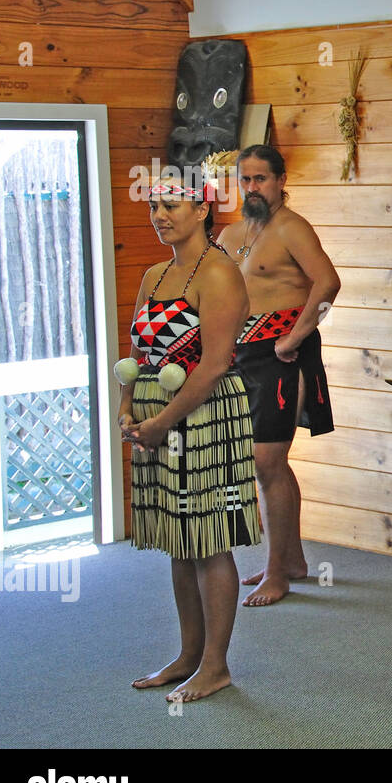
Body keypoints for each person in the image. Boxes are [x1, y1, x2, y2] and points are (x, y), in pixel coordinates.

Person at [123, 180, 259, 702]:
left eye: (170, 205)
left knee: (207, 539)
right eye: (154, 206)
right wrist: (128, 406)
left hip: (205, 417)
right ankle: (187, 654)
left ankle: (216, 666)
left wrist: (163, 422)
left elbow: (216, 363)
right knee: (179, 541)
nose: (159, 215)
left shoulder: (220, 272)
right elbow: (137, 350)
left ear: (202, 208)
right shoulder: (154, 274)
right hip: (157, 415)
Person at [217, 145, 341, 606]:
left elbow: (328, 284)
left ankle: (277, 573)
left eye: (261, 179)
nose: (252, 188)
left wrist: (295, 337)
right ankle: (291, 560)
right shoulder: (229, 235)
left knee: (266, 462)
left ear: (281, 180)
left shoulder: (293, 228)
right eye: (245, 180)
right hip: (240, 356)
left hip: (283, 355)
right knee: (267, 465)